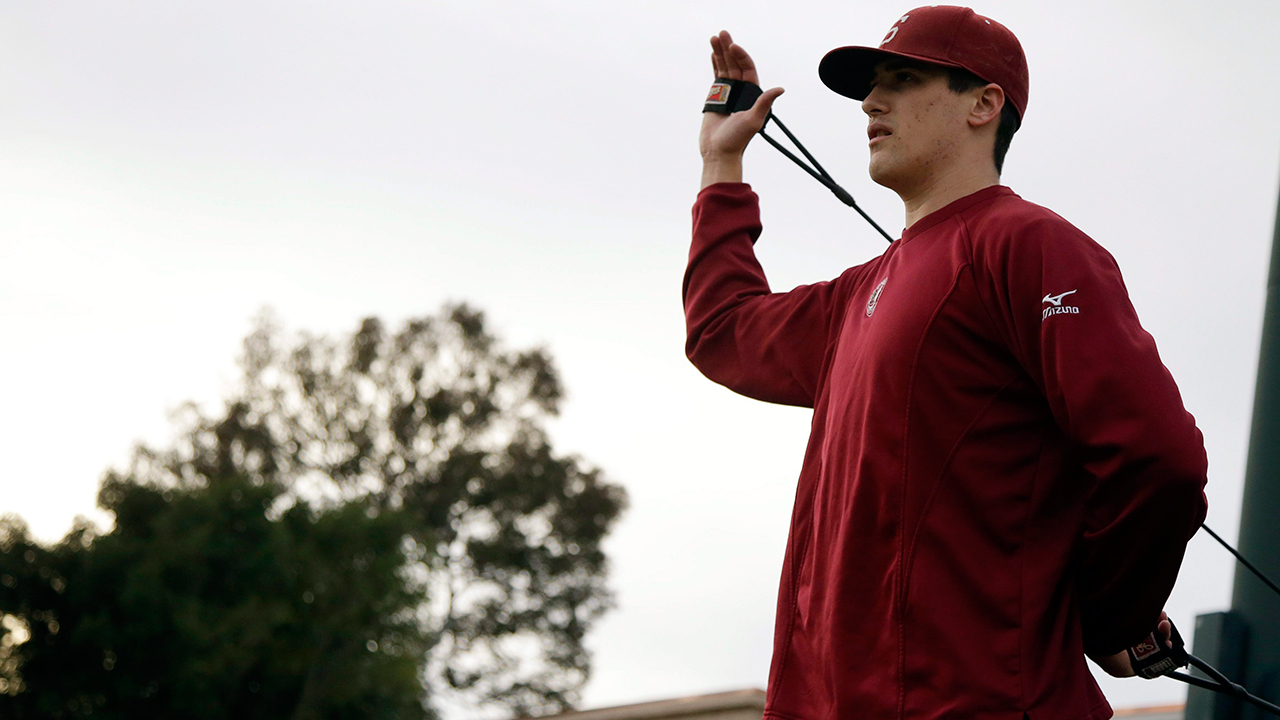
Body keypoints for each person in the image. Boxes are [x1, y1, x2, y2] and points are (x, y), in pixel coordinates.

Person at [683, 6, 1209, 720]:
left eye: (902, 79)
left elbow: (1157, 457)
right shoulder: (858, 295)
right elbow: (722, 332)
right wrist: (722, 164)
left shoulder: (1028, 244)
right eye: (873, 85)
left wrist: (1103, 613)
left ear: (984, 104)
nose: (872, 101)